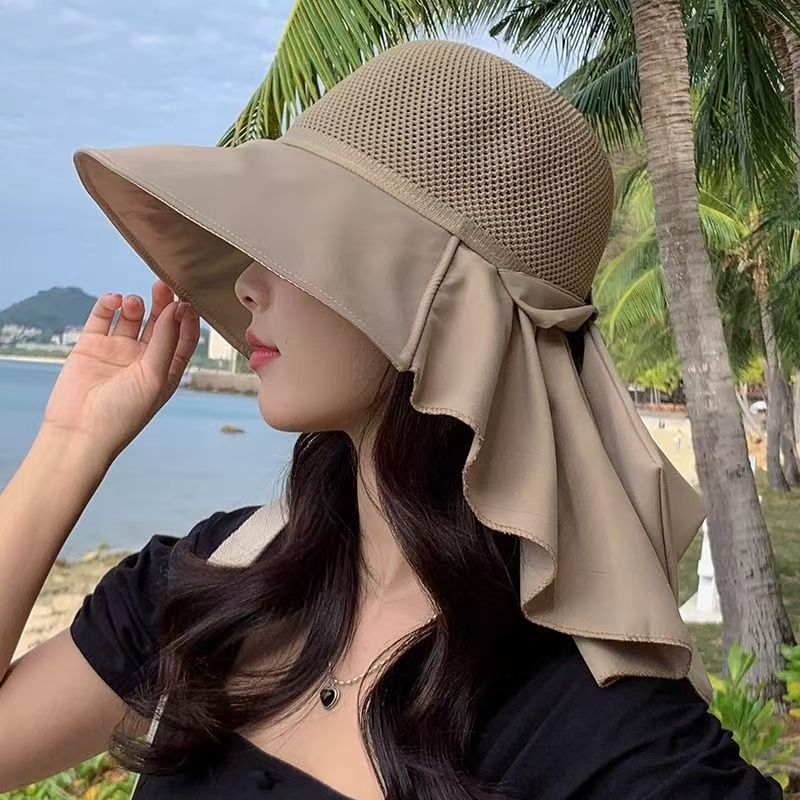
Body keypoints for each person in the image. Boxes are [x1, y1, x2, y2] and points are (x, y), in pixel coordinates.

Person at [0, 39, 784, 800]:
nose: (245, 284)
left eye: (296, 244)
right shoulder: (215, 581)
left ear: (432, 304)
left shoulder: (601, 733)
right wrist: (71, 444)